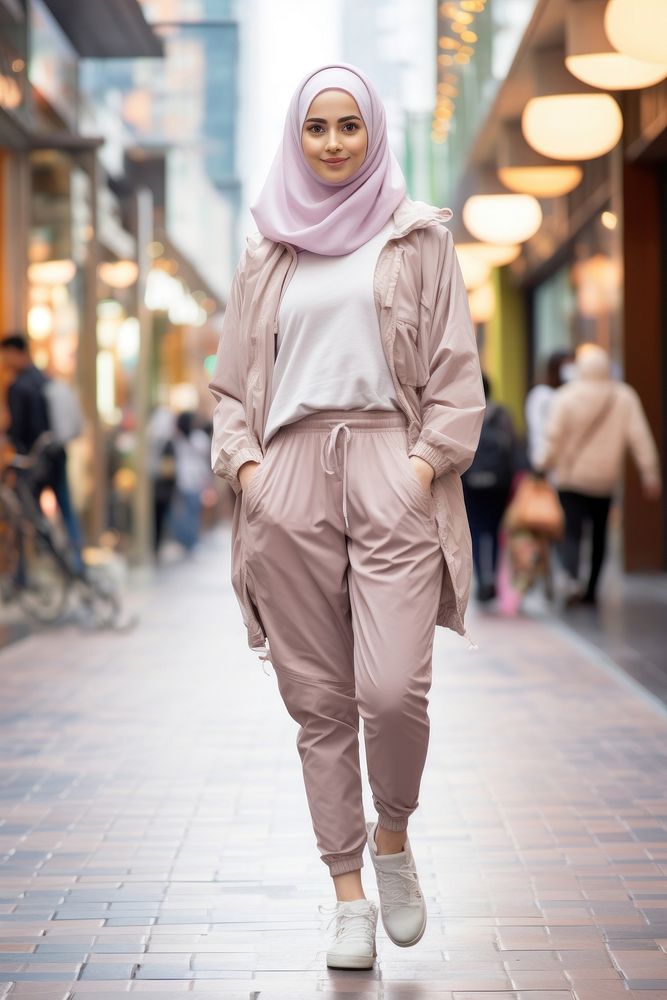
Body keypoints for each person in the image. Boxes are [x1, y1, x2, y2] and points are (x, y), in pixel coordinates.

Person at [209, 63, 484, 969]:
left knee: (392, 689)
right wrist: (250, 471)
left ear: (373, 133)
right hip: (286, 474)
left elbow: (453, 379)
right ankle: (347, 896)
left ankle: (393, 836)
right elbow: (229, 388)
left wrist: (417, 467)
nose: (332, 143)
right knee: (320, 704)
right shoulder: (266, 253)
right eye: (316, 129)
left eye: (348, 126)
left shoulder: (419, 239)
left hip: (389, 466)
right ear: (297, 138)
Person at [539, 343, 661, 606]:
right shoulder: (624, 396)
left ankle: (572, 578)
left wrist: (543, 463)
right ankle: (591, 590)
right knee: (600, 534)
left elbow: (553, 437)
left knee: (571, 530)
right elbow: (640, 437)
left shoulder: (566, 396)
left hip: (570, 478)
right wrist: (650, 473)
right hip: (605, 481)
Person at [0, 332, 82, 555]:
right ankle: (76, 564)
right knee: (65, 510)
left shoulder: (18, 386)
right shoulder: (43, 378)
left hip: (32, 462)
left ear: (17, 353)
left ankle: (28, 572)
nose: (5, 361)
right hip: (55, 453)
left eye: (6, 355)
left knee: (27, 519)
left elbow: (18, 431)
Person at [462, 374, 516, 602]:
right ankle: (492, 576)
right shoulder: (502, 414)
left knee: (473, 529)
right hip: (498, 484)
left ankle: (480, 580)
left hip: (471, 481)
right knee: (494, 530)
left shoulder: (464, 413)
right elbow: (513, 448)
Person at [524, 349, 574, 470]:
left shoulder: (573, 395)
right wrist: (540, 460)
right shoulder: (541, 395)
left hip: (570, 465)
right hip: (548, 463)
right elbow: (537, 429)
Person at [170, 411, 211, 553]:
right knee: (191, 512)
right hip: (192, 480)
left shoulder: (180, 439)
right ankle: (190, 541)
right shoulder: (198, 438)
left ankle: (188, 542)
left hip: (187, 480)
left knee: (187, 512)